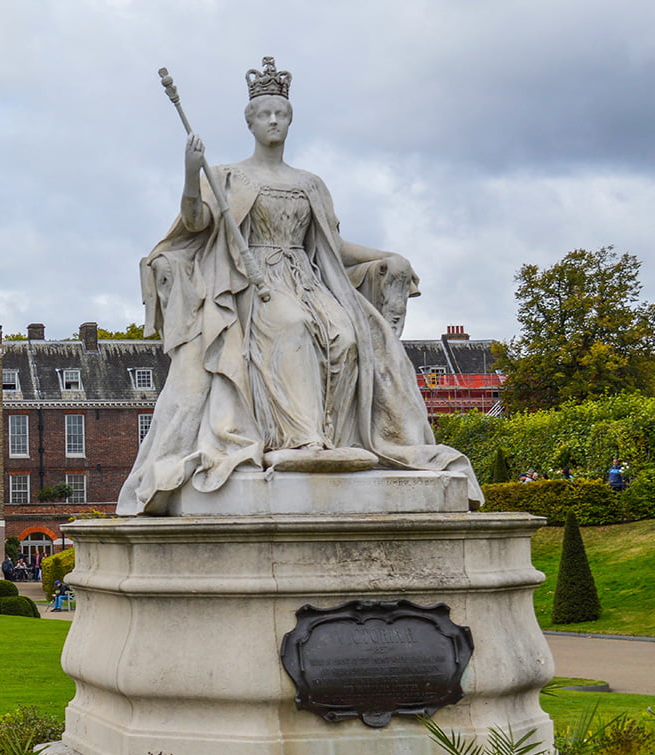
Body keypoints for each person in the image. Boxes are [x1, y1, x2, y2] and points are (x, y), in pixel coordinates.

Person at [117, 58, 481, 515]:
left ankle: (333, 439)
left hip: (308, 278)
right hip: (250, 284)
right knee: (290, 327)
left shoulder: (310, 184)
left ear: (290, 120)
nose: (274, 121)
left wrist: (387, 258)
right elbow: (196, 223)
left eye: (281, 113)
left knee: (347, 337)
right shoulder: (226, 175)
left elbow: (332, 245)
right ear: (250, 122)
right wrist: (191, 174)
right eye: (265, 113)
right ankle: (299, 438)